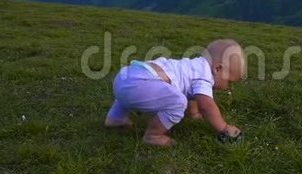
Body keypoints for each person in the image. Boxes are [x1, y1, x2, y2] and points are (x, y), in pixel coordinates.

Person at [104, 39, 245, 146]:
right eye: (229, 81)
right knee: (178, 102)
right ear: (218, 69)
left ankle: (116, 117)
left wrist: (194, 113)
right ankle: (153, 135)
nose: (229, 87)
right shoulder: (205, 76)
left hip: (126, 75)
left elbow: (193, 95)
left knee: (130, 90)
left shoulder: (193, 67)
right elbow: (206, 105)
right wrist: (224, 128)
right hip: (141, 83)